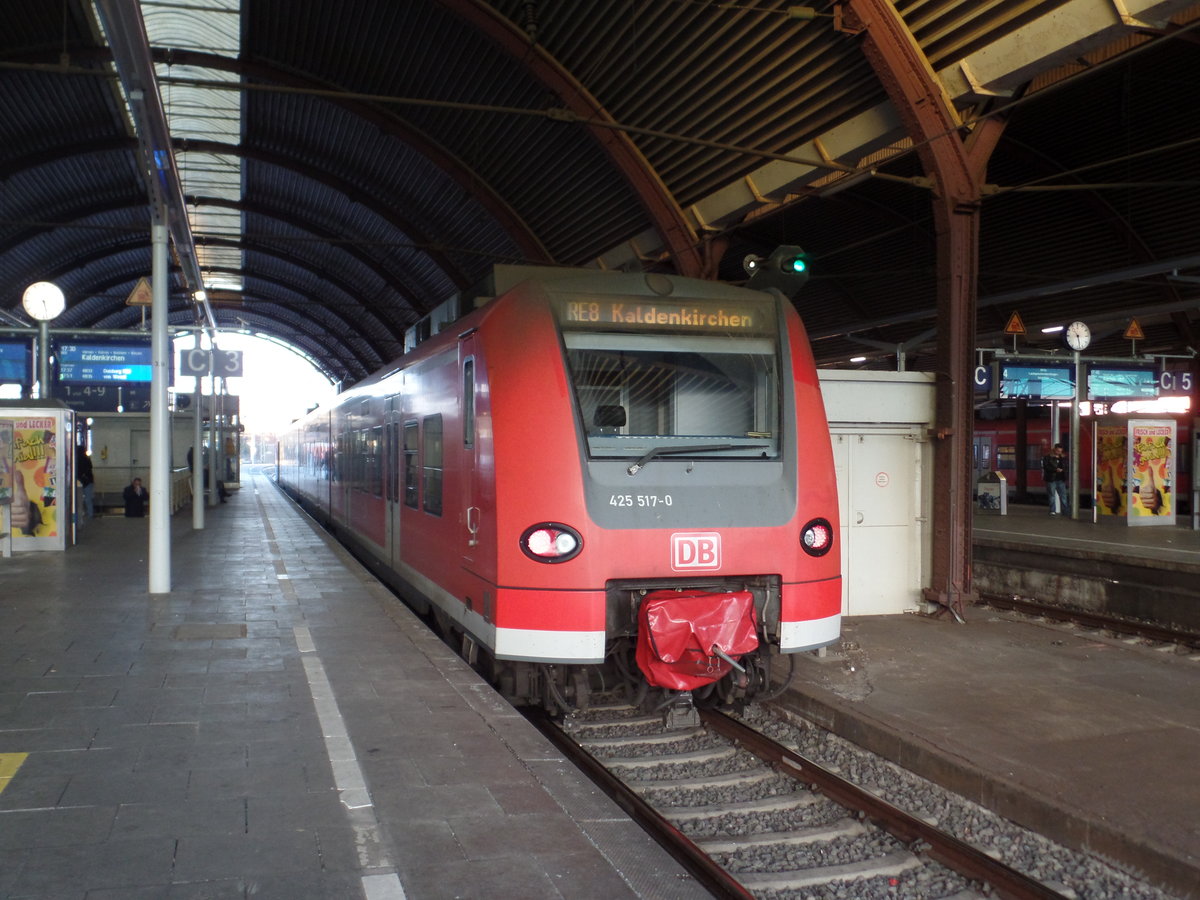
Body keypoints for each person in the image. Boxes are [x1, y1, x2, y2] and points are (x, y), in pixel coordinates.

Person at [1042, 443, 1069, 516]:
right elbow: (1046, 467)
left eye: (1060, 451)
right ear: (1054, 450)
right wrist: (1055, 469)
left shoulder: (1063, 458)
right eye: (1058, 451)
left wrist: (1063, 471)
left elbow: (1066, 467)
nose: (1059, 452)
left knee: (1063, 496)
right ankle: (1052, 510)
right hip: (1051, 479)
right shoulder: (1047, 457)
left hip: (1061, 479)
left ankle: (1065, 511)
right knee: (1052, 495)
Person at [76, 446, 94, 523]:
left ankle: (81, 514)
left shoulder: (77, 459)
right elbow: (90, 467)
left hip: (79, 482)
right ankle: (90, 514)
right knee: (88, 499)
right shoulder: (87, 458)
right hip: (89, 481)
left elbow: (78, 471)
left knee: (79, 499)